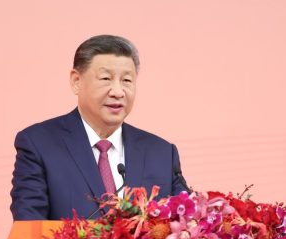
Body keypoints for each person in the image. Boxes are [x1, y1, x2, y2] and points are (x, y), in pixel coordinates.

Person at [10, 35, 189, 220]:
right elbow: (28, 226)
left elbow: (187, 222)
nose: (118, 92)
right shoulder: (39, 144)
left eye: (127, 81)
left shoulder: (162, 153)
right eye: (105, 78)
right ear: (76, 81)